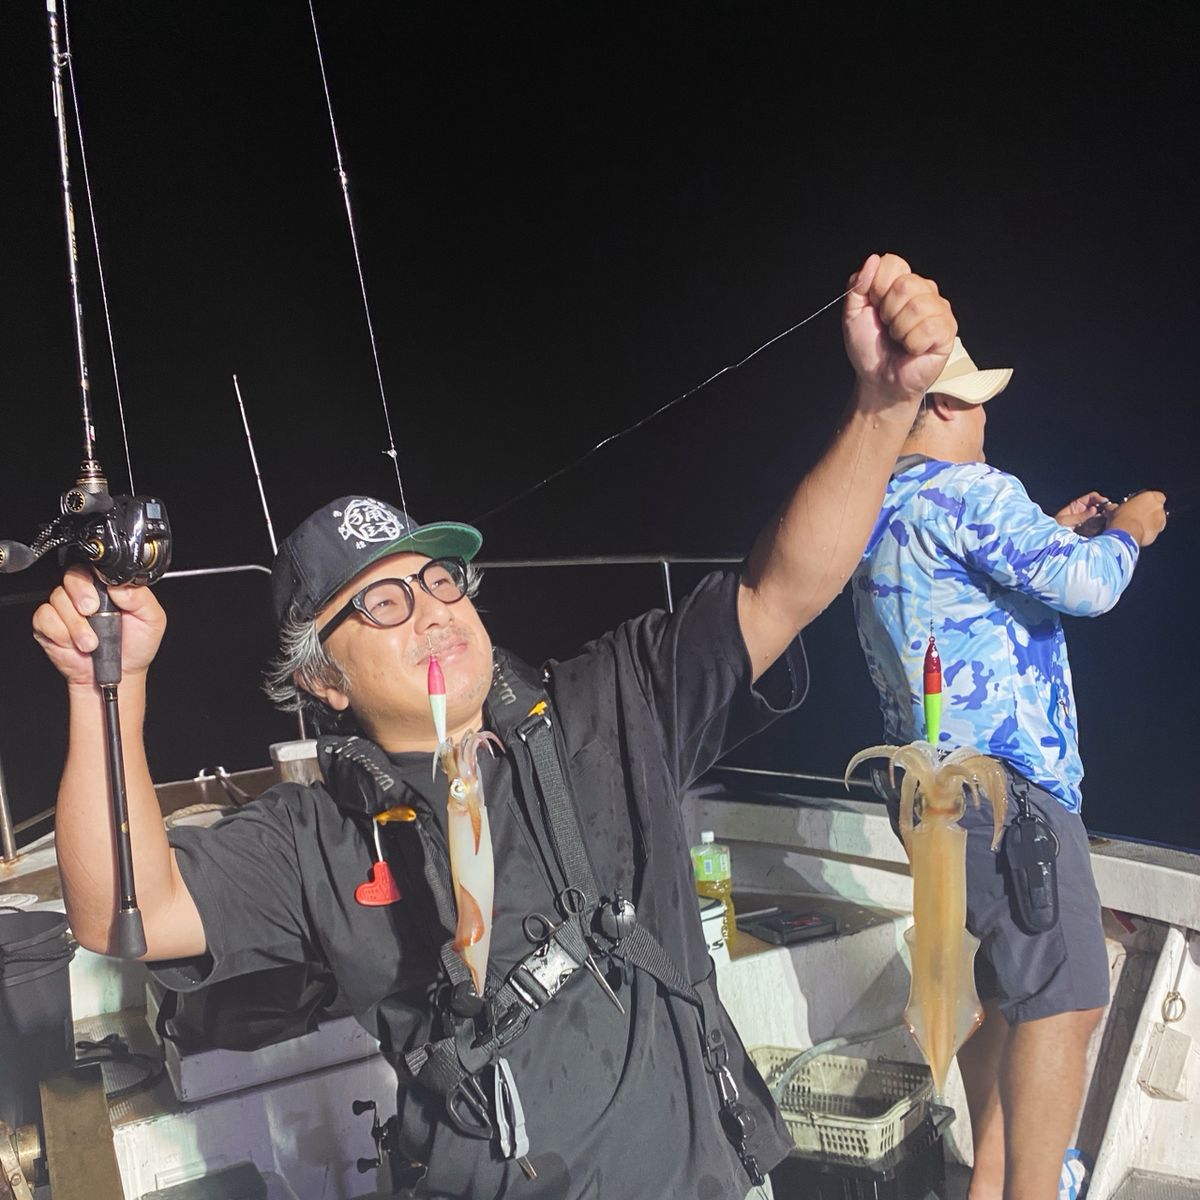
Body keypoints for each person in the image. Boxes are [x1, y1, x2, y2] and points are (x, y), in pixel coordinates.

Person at [36, 252, 956, 1199]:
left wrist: (884, 407)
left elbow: (782, 591)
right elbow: (119, 912)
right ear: (325, 680)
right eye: (384, 603)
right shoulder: (318, 839)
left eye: (440, 581)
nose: (433, 608)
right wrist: (104, 686)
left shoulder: (612, 702)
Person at [851, 337, 1167, 1200]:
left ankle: (989, 1182)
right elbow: (1091, 587)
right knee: (1066, 1002)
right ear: (947, 405)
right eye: (979, 399)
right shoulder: (975, 492)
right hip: (1006, 795)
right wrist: (1132, 527)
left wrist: (1052, 531)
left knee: (997, 986)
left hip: (924, 792)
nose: (988, 416)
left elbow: (950, 592)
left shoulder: (876, 499)